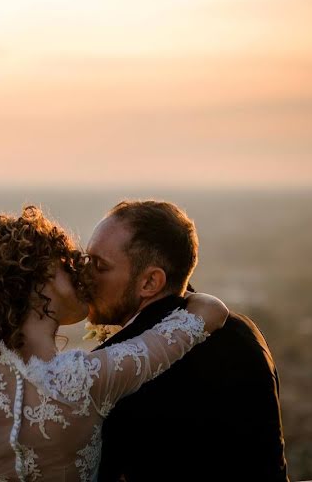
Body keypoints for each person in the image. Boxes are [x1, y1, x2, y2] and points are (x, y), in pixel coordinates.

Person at [0, 206, 228, 482]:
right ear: (43, 281)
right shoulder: (87, 378)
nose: (81, 270)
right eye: (66, 262)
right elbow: (211, 312)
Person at [78, 200, 289, 482]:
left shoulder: (121, 366)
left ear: (150, 283)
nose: (84, 276)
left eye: (99, 265)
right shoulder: (244, 332)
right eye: (86, 260)